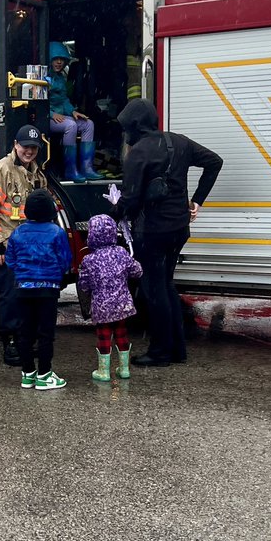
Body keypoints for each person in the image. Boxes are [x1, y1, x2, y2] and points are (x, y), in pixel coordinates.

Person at [112, 98, 223, 367]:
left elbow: (130, 199)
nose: (126, 134)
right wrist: (197, 200)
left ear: (135, 126)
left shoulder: (138, 154)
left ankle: (161, 352)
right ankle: (177, 349)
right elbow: (214, 162)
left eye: (127, 128)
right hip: (179, 228)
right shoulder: (178, 142)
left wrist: (110, 216)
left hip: (152, 232)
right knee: (167, 286)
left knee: (154, 290)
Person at [0, 125, 49, 367]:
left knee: (29, 297)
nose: (29, 151)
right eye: (25, 146)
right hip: (5, 249)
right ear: (15, 145)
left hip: (28, 250)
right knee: (11, 297)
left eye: (34, 148)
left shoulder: (36, 174)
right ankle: (10, 343)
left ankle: (26, 340)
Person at [4, 188, 72, 391]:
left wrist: (23, 274)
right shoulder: (57, 233)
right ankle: (44, 373)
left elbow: (10, 260)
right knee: (45, 333)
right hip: (48, 290)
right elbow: (65, 260)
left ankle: (27, 373)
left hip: (23, 289)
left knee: (25, 331)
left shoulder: (17, 233)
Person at [78, 214, 143, 382]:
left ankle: (103, 371)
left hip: (102, 307)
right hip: (122, 305)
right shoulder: (121, 253)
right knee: (122, 334)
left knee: (104, 337)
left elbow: (84, 284)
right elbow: (137, 271)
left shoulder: (89, 260)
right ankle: (124, 369)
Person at [47, 40, 101, 182]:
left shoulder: (60, 78)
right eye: (56, 59)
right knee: (71, 125)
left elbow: (64, 100)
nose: (59, 62)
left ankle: (87, 168)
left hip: (62, 116)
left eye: (62, 59)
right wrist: (52, 114)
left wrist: (73, 112)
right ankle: (70, 170)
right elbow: (40, 102)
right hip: (48, 118)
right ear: (49, 59)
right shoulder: (44, 78)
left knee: (88, 124)